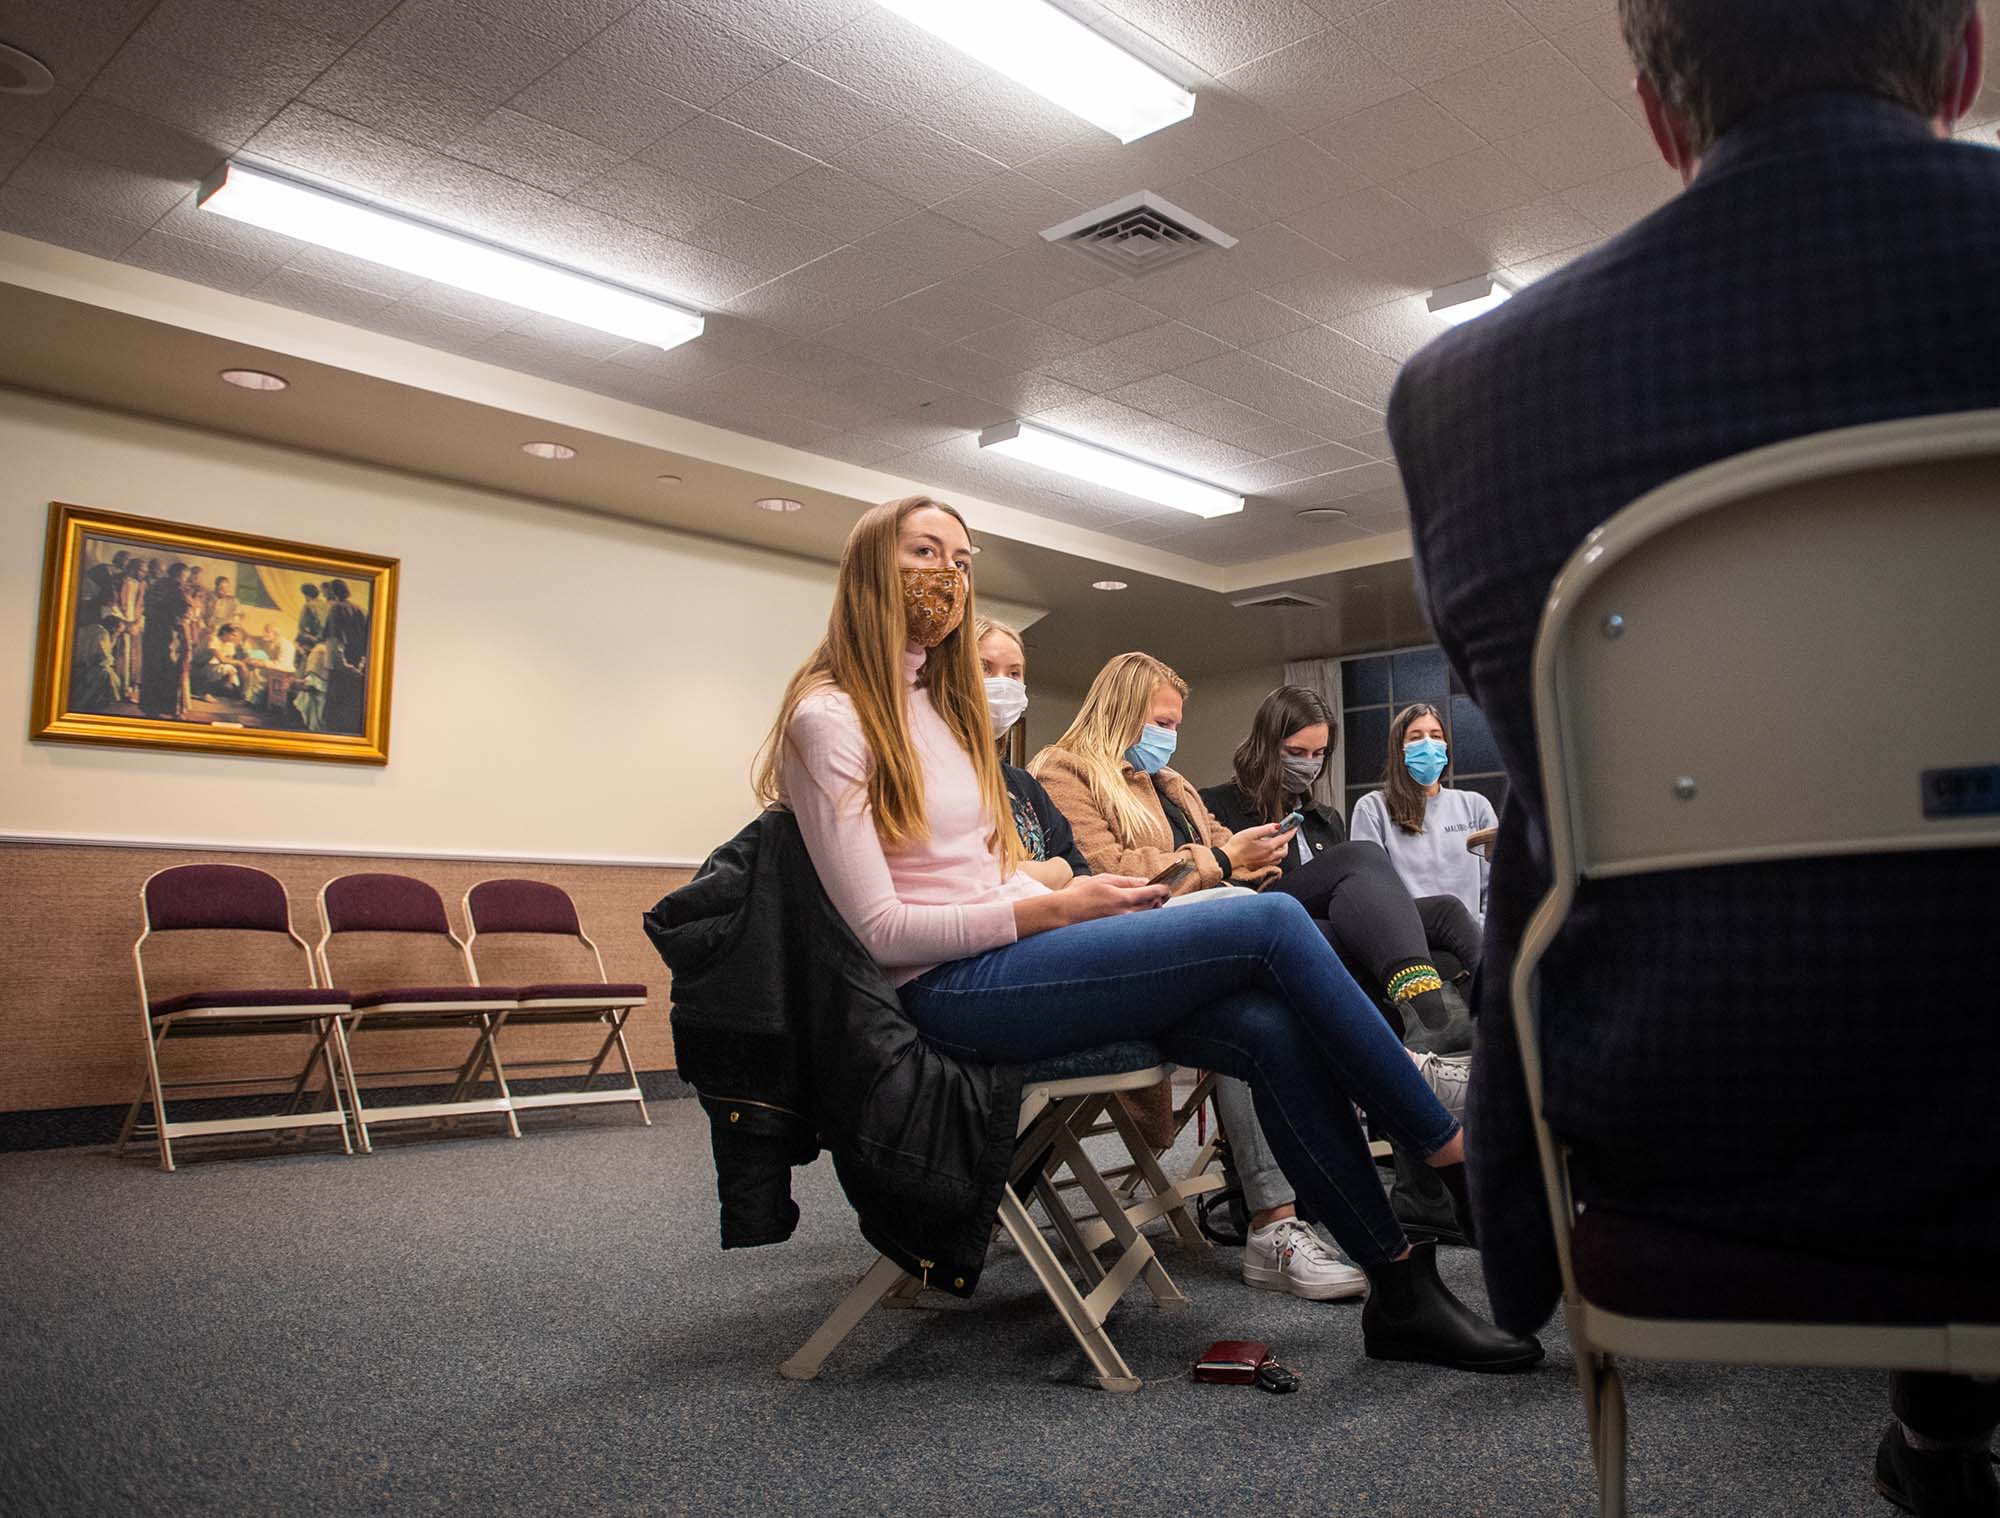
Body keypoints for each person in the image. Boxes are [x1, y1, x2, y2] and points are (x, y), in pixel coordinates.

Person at [1388, 0, 2000, 1503]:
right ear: (1970, 58)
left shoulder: (1467, 400)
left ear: (1664, 118)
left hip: (1705, 1123)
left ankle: (1939, 1435)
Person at [761, 494, 1540, 1372]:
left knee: (1272, 1029)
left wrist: (1074, 889)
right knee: (1276, 922)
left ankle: (1402, 1292)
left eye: (965, 557)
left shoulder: (939, 714)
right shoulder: (828, 720)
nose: (950, 572)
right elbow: (880, 929)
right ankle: (1452, 1154)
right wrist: (1050, 907)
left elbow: (978, 870)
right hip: (947, 989)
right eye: (925, 551)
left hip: (1012, 955)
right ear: (870, 568)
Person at [1349, 704, 1497, 930]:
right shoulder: (1373, 808)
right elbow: (1371, 892)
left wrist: (1483, 936)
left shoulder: (1475, 806)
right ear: (1400, 749)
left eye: (1436, 736)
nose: (1428, 744)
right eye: (1416, 737)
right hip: (1410, 938)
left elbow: (1497, 885)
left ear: (1446, 746)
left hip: (1472, 940)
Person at [974, 618, 1089, 890]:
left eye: (1014, 673)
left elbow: (1077, 868)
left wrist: (1024, 872)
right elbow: (973, 880)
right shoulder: (931, 776)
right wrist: (1054, 872)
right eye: (984, 668)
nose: (1002, 684)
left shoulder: (1024, 785)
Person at [138, 563, 194, 719]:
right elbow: (183, 617)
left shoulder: (156, 586)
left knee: (153, 671)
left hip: (152, 635)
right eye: (186, 576)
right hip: (169, 636)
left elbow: (148, 609)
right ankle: (173, 711)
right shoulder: (178, 590)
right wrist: (187, 644)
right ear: (181, 574)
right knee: (171, 671)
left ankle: (151, 709)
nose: (186, 579)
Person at [70, 609, 125, 711]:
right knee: (108, 674)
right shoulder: (101, 633)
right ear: (113, 628)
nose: (118, 635)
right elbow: (103, 658)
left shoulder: (94, 629)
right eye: (118, 632)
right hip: (84, 667)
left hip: (79, 665)